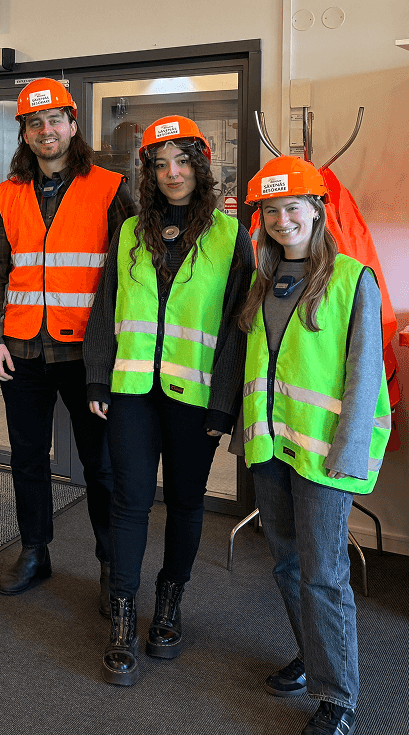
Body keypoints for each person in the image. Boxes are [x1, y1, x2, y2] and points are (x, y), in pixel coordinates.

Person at [83, 116, 253, 686]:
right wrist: (97, 379)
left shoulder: (231, 236)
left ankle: (169, 605)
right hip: (131, 391)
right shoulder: (131, 230)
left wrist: (223, 404)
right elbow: (106, 306)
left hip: (195, 398)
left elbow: (238, 327)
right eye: (160, 164)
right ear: (149, 173)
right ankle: (123, 620)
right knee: (129, 501)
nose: (171, 173)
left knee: (184, 502)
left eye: (181, 161)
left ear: (200, 166)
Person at [240, 156, 390, 735]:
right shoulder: (264, 278)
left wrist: (349, 454)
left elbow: (364, 375)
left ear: (318, 210)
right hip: (272, 447)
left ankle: (337, 697)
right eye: (271, 211)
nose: (282, 220)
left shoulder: (353, 278)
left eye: (292, 207)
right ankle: (311, 657)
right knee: (286, 563)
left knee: (324, 574)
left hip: (325, 455)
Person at [0, 78, 133, 608]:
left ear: (72, 124)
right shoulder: (8, 193)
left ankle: (112, 565)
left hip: (88, 353)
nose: (45, 130)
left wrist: (116, 350)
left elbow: (129, 275)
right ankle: (34, 551)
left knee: (101, 464)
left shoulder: (110, 188)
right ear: (24, 133)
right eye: (34, 123)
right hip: (22, 349)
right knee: (27, 457)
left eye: (53, 120)